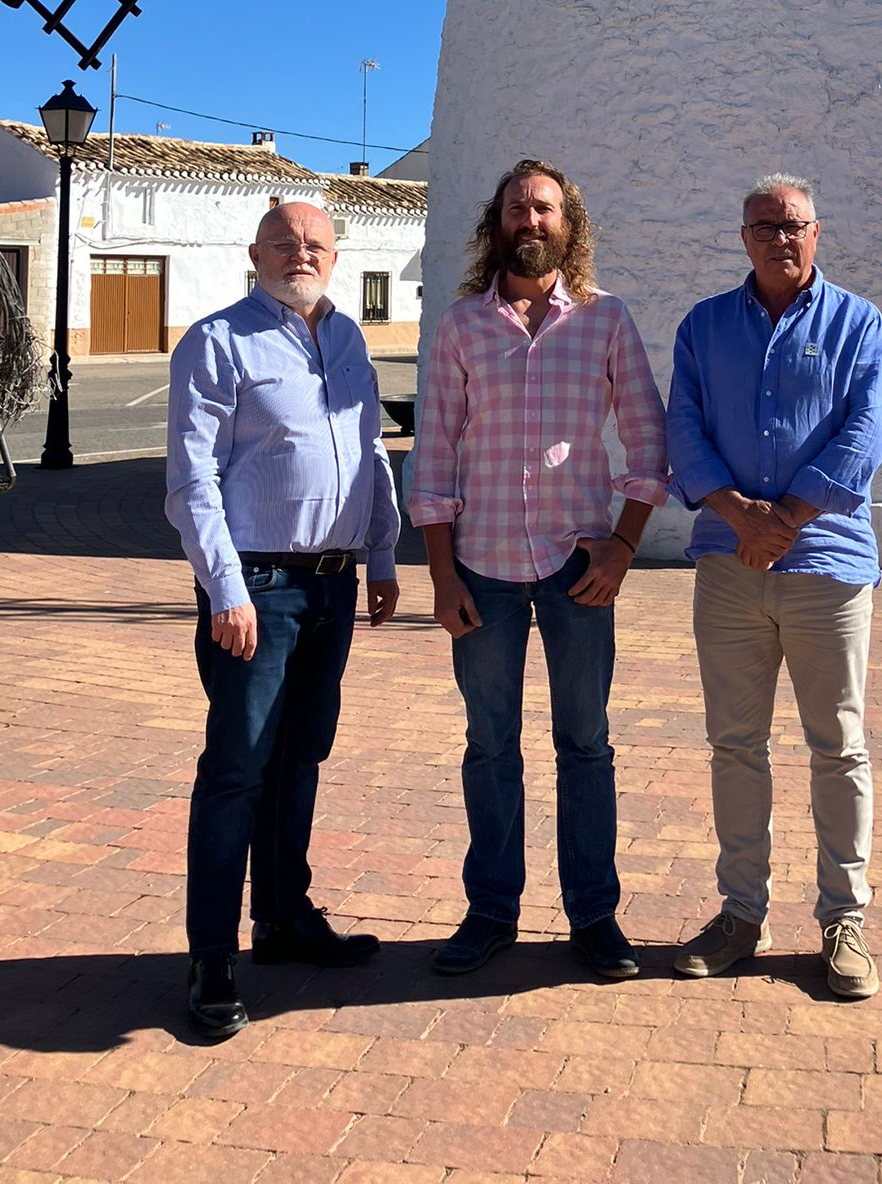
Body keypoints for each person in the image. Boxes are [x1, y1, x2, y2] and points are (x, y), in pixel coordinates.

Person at [408, 160, 668, 980]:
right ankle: (492, 910)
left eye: (546, 207)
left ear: (568, 224)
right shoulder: (459, 327)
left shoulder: (606, 321)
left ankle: (594, 916)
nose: (532, 217)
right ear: (497, 221)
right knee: (490, 745)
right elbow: (435, 459)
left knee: (585, 744)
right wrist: (442, 577)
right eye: (519, 205)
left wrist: (624, 545)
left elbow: (649, 443)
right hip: (480, 565)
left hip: (577, 565)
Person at [166, 200, 401, 1040]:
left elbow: (370, 448)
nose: (300, 254)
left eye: (316, 245)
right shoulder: (217, 340)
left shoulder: (347, 337)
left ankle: (283, 918)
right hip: (257, 588)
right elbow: (192, 481)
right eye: (284, 243)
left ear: (335, 258)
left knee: (301, 756)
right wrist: (224, 589)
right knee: (236, 769)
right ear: (256, 252)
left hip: (334, 587)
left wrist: (380, 555)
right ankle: (211, 954)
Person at [666, 173, 882, 998]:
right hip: (730, 569)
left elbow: (865, 434)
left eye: (792, 225)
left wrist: (784, 519)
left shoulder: (858, 324)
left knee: (838, 747)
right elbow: (681, 431)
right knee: (735, 744)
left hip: (826, 563)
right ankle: (740, 912)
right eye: (763, 226)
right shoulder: (703, 327)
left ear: (816, 232)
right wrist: (739, 516)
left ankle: (844, 920)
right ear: (743, 237)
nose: (778, 238)